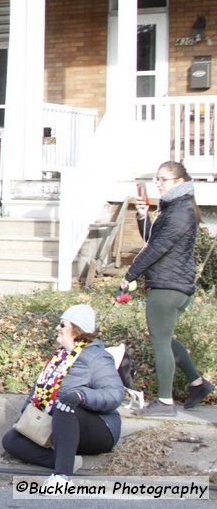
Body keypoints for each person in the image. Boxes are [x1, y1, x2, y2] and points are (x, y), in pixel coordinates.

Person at [120, 161, 215, 415]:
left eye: (164, 180)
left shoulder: (180, 210)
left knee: (160, 342)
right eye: (157, 180)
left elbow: (156, 249)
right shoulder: (175, 207)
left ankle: (164, 402)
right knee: (165, 337)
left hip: (168, 286)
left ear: (180, 182)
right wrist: (143, 217)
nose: (158, 184)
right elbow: (155, 240)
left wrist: (129, 275)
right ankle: (198, 384)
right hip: (172, 283)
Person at [1, 304, 124, 488]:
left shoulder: (96, 357)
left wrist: (81, 396)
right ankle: (66, 460)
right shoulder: (59, 355)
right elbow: (39, 388)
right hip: (60, 427)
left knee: (65, 406)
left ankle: (62, 477)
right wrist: (24, 416)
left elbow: (115, 393)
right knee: (11, 440)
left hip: (100, 429)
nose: (57, 328)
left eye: (62, 324)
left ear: (76, 329)